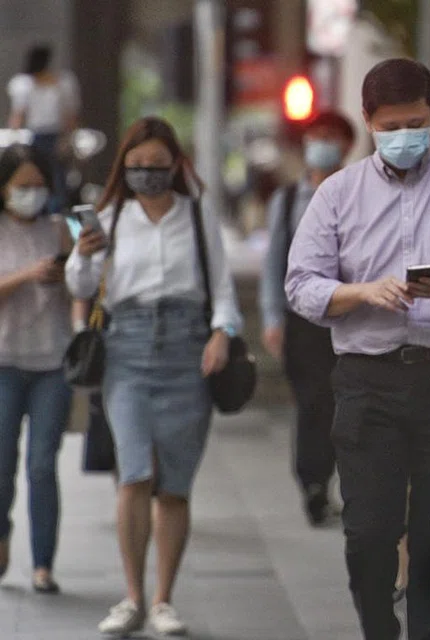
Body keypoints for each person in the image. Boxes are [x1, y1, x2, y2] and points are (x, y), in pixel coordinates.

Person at [285, 58, 430, 640]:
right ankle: (376, 625)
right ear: (368, 121)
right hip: (367, 380)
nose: (404, 136)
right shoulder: (339, 194)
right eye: (391, 126)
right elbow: (300, 283)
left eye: (415, 122)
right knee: (369, 530)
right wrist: (361, 292)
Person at [65, 116, 242, 637]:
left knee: (176, 484)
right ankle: (133, 597)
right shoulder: (110, 215)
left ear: (175, 165)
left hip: (189, 348)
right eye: (137, 166)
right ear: (125, 166)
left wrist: (222, 332)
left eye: (157, 166)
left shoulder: (197, 211)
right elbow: (80, 284)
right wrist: (82, 253)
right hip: (128, 348)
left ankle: (164, 598)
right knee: (134, 473)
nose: (146, 175)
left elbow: (222, 282)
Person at [260, 109, 356, 526]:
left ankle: (344, 482)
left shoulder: (360, 192)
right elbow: (273, 263)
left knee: (346, 402)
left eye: (331, 137)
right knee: (313, 403)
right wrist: (271, 318)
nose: (322, 144)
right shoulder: (286, 201)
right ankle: (313, 483)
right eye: (316, 136)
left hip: (352, 312)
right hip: (303, 318)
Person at [0, 144, 73, 594]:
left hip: (53, 362)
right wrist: (27, 275)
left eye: (39, 186)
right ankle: (2, 537)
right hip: (4, 363)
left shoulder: (62, 228)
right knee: (2, 463)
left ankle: (43, 562)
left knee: (43, 465)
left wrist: (72, 271)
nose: (32, 194)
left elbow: (91, 278)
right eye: (22, 186)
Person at [7, 45, 81, 213]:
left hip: (56, 135)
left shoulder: (63, 82)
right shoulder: (25, 84)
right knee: (38, 173)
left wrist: (67, 139)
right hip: (37, 135)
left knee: (57, 178)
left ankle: (57, 210)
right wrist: (14, 139)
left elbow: (69, 115)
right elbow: (18, 114)